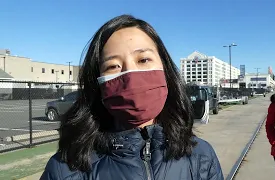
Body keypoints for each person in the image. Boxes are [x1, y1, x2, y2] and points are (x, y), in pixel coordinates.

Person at [40, 14, 224, 180]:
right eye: (113, 66)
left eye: (143, 60)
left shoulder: (201, 157)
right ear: (97, 84)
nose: (130, 75)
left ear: (165, 69)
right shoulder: (65, 169)